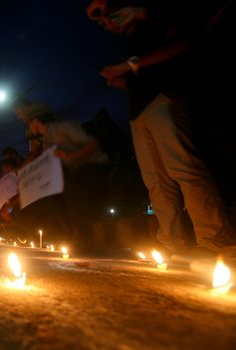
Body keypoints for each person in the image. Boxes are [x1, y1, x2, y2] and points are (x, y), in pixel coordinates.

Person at [87, 0, 236, 254]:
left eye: (107, 13)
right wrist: (124, 81)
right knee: (155, 179)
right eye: (101, 23)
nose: (107, 23)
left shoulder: (154, 20)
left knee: (182, 166)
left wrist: (130, 65)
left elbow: (183, 43)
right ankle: (172, 241)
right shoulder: (132, 41)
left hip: (163, 98)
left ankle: (216, 239)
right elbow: (142, 73)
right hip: (138, 111)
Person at [27, 112, 109, 245]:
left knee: (72, 188)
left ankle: (85, 237)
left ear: (36, 121)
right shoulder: (46, 142)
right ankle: (68, 233)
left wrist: (70, 156)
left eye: (29, 123)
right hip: (71, 173)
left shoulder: (64, 127)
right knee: (51, 196)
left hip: (93, 165)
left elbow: (94, 144)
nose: (29, 128)